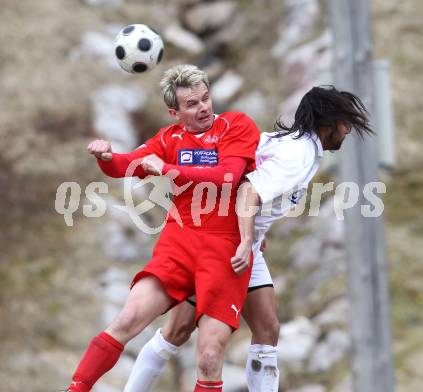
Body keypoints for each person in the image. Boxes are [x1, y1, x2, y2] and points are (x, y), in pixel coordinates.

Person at [123, 85, 374, 392]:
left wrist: (254, 231)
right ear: (328, 122)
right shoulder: (298, 155)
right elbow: (248, 190)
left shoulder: (287, 142)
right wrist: (243, 236)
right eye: (345, 122)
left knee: (266, 328)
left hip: (239, 240)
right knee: (180, 332)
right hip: (225, 245)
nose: (348, 129)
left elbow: (239, 171)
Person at [64, 64, 260, 392]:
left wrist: (169, 170)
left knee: (209, 357)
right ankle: (75, 389)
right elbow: (125, 165)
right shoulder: (168, 139)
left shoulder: (235, 125)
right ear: (174, 112)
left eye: (206, 99)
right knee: (126, 321)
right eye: (192, 104)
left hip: (225, 248)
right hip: (179, 242)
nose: (204, 108)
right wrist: (106, 157)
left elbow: (226, 176)